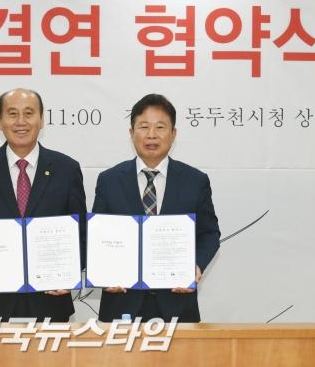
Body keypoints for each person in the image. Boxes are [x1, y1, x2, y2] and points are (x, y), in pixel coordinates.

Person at [0, 88, 87, 322]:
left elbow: (81, 231)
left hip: (50, 302)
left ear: (42, 119)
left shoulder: (67, 169)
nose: (21, 122)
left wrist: (72, 270)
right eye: (12, 114)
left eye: (29, 113)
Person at [92, 93, 220, 322]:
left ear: (174, 133)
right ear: (131, 133)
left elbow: (209, 233)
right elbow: (96, 235)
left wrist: (196, 266)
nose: (151, 134)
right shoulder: (109, 180)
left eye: (160, 127)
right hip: (121, 302)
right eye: (143, 126)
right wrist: (103, 271)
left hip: (177, 302)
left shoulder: (195, 180)